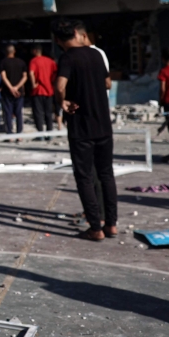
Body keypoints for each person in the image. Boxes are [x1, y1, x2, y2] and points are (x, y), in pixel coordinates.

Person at [53, 18, 116, 242]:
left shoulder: (67, 58)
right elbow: (108, 83)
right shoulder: (96, 54)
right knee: (106, 174)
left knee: (85, 177)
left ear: (58, 40)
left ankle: (95, 227)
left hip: (81, 127)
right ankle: (111, 224)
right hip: (103, 124)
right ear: (78, 34)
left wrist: (63, 101)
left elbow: (60, 86)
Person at [29, 44, 58, 138]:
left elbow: (31, 72)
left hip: (38, 90)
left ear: (35, 51)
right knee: (49, 113)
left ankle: (40, 133)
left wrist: (33, 84)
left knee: (38, 113)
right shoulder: (50, 61)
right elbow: (55, 74)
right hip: (49, 90)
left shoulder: (33, 61)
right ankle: (50, 133)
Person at [0, 45, 28, 135]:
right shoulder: (21, 62)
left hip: (7, 91)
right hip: (19, 91)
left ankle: (10, 133)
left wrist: (11, 88)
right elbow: (25, 77)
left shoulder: (3, 62)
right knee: (19, 112)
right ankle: (19, 133)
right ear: (14, 51)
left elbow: (3, 77)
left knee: (8, 112)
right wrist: (17, 87)